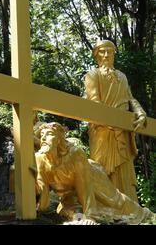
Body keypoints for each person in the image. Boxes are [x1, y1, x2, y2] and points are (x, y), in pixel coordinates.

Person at [35, 122, 154, 224]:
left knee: (116, 202)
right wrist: (36, 182)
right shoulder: (39, 159)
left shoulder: (74, 154)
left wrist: (90, 215)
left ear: (60, 139)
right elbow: (44, 203)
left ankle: (147, 215)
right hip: (70, 197)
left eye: (49, 134)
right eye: (41, 136)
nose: (43, 139)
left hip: (92, 179)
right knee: (75, 214)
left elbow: (84, 187)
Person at [84, 40, 146, 201]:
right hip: (102, 132)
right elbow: (94, 103)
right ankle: (105, 206)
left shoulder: (122, 77)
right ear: (96, 55)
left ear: (114, 54)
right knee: (101, 170)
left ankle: (129, 207)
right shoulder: (92, 75)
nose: (106, 55)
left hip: (123, 131)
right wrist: (111, 122)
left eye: (109, 52)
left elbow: (130, 98)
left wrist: (140, 112)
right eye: (102, 52)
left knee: (124, 170)